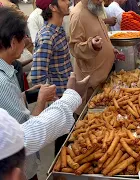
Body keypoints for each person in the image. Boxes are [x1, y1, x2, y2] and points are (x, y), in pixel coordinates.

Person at [0, 7, 90, 180]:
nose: (27, 41)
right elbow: (25, 136)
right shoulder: (2, 81)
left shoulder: (7, 71)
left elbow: (8, 106)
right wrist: (53, 100)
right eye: (23, 37)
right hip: (21, 169)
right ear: (12, 42)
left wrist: (27, 95)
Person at [69, 0, 117, 115]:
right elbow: (75, 48)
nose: (101, 1)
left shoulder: (94, 9)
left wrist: (110, 49)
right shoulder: (78, 15)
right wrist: (91, 46)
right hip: (90, 84)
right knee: (90, 121)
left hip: (102, 79)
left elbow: (99, 35)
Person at [31, 0, 73, 98]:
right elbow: (37, 77)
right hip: (59, 99)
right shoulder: (47, 37)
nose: (68, 2)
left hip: (67, 94)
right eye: (63, 0)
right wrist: (54, 99)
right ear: (53, 7)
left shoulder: (58, 30)